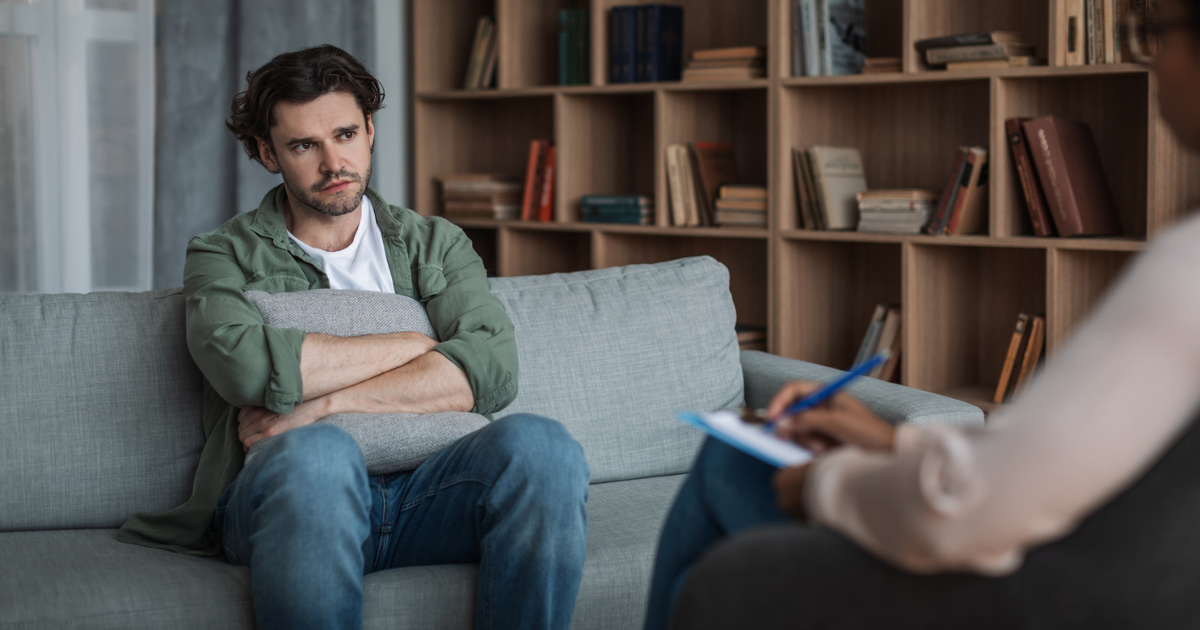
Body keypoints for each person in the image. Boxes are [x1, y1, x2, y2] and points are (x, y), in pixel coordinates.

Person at [645, 1, 1200, 628]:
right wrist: (895, 440)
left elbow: (969, 509)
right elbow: (1081, 456)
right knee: (739, 462)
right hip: (1102, 577)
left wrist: (832, 482)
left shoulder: (1188, 268)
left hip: (1032, 594)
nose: (1151, 58)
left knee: (728, 514)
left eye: (1156, 34)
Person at [117, 45, 589, 630]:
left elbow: (490, 369)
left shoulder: (434, 244)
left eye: (344, 134)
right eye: (303, 145)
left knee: (544, 447)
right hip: (290, 496)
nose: (332, 162)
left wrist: (326, 402)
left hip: (432, 493)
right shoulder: (222, 254)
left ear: (369, 131)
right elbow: (244, 368)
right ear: (268, 154)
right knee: (319, 454)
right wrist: (418, 347)